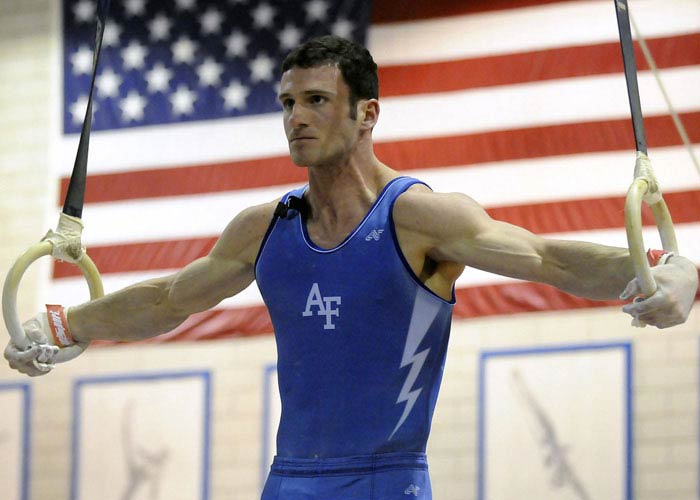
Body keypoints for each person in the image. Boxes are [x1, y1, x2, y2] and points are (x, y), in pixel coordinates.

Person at [5, 36, 698, 499]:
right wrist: (67, 324)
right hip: (289, 482)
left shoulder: (420, 218)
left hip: (386, 482)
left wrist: (663, 267)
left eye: (316, 101)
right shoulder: (262, 229)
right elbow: (169, 299)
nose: (296, 119)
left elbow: (546, 257)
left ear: (367, 113)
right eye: (288, 103)